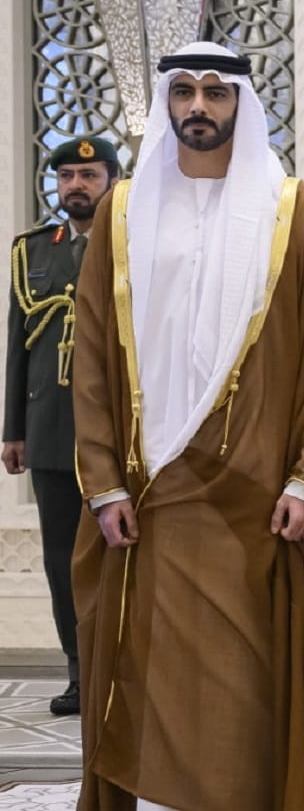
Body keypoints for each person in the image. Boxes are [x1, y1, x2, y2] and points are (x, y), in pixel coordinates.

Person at [69, 42, 304, 811]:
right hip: (147, 498)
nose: (199, 107)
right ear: (166, 102)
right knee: (149, 674)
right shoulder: (122, 213)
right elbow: (91, 356)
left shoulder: (293, 212)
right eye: (186, 92)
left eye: (216, 94)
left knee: (243, 686)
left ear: (241, 105)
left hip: (255, 499)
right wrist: (101, 482)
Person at [4, 135, 119, 716]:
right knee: (60, 559)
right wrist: (12, 430)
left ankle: (122, 668)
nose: (76, 184)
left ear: (111, 180)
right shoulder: (35, 251)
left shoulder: (132, 244)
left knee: (123, 554)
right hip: (50, 430)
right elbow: (17, 348)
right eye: (67, 175)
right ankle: (79, 673)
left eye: (88, 174)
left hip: (122, 433)